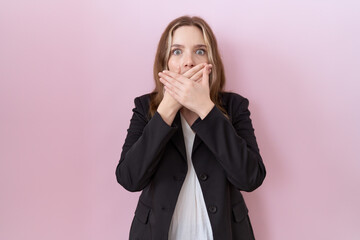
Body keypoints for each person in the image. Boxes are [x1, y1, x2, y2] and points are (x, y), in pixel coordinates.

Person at [115, 15, 266, 240]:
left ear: (210, 62)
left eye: (199, 51)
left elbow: (250, 178)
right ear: (165, 62)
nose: (188, 62)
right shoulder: (144, 107)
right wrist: (166, 110)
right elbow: (129, 178)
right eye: (177, 51)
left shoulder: (235, 106)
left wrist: (206, 109)